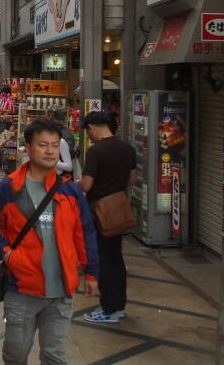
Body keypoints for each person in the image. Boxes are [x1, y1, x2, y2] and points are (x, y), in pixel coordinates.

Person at [0, 118, 99, 365]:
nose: (50, 151)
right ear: (28, 148)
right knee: (16, 355)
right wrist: (7, 254)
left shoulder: (70, 191)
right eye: (43, 145)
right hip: (22, 288)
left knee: (55, 356)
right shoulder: (9, 188)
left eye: (55, 145)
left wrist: (91, 273)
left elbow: (84, 233)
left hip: (61, 291)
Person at [78, 111, 136, 324]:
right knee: (116, 258)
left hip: (100, 213)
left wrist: (71, 184)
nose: (89, 135)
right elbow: (133, 179)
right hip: (120, 210)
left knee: (102, 259)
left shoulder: (96, 152)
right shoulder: (127, 149)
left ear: (92, 127)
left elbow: (86, 185)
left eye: (88, 131)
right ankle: (118, 306)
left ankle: (108, 308)